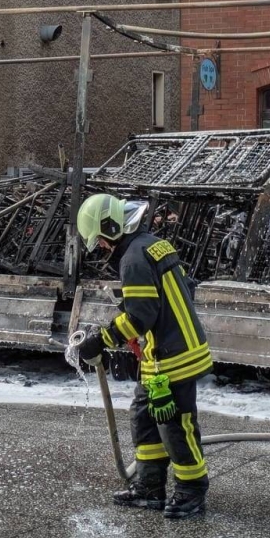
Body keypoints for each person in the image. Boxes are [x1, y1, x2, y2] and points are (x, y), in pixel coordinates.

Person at [76, 193, 212, 520]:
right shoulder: (151, 244)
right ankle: (150, 488)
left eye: (101, 240)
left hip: (174, 357)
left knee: (175, 426)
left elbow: (141, 316)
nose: (102, 247)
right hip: (163, 353)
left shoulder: (133, 258)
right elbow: (176, 291)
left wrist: (102, 340)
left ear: (111, 227)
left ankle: (191, 491)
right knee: (145, 417)